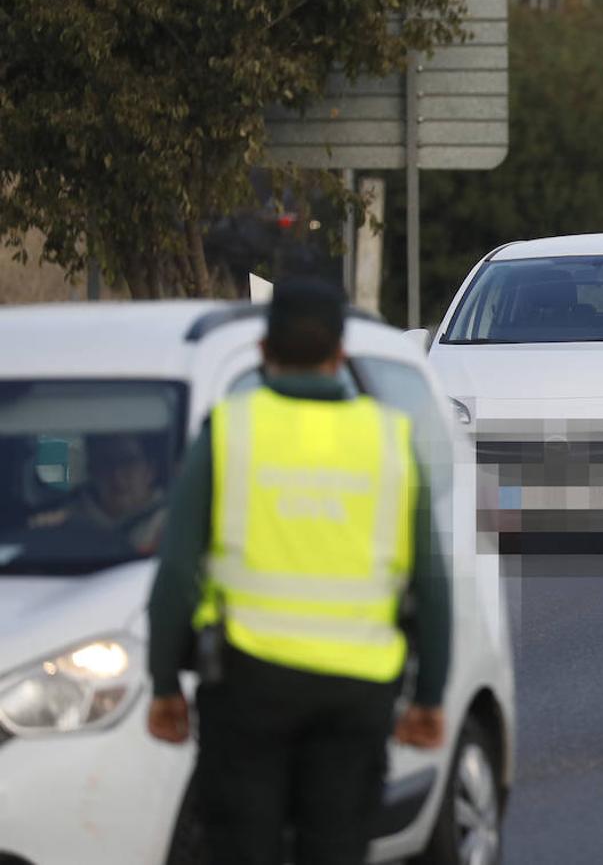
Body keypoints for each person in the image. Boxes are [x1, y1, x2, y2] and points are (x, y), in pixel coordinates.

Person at [145, 278, 451, 865]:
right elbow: (431, 582)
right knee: (335, 849)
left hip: (247, 685)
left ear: (264, 351)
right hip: (357, 691)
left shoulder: (230, 431)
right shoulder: (389, 439)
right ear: (340, 355)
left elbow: (177, 570)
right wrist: (430, 697)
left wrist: (164, 687)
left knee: (243, 847)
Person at [29, 433, 167, 554]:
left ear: (150, 469)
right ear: (92, 470)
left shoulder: (173, 522)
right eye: (106, 463)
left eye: (127, 461)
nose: (116, 476)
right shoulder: (63, 520)